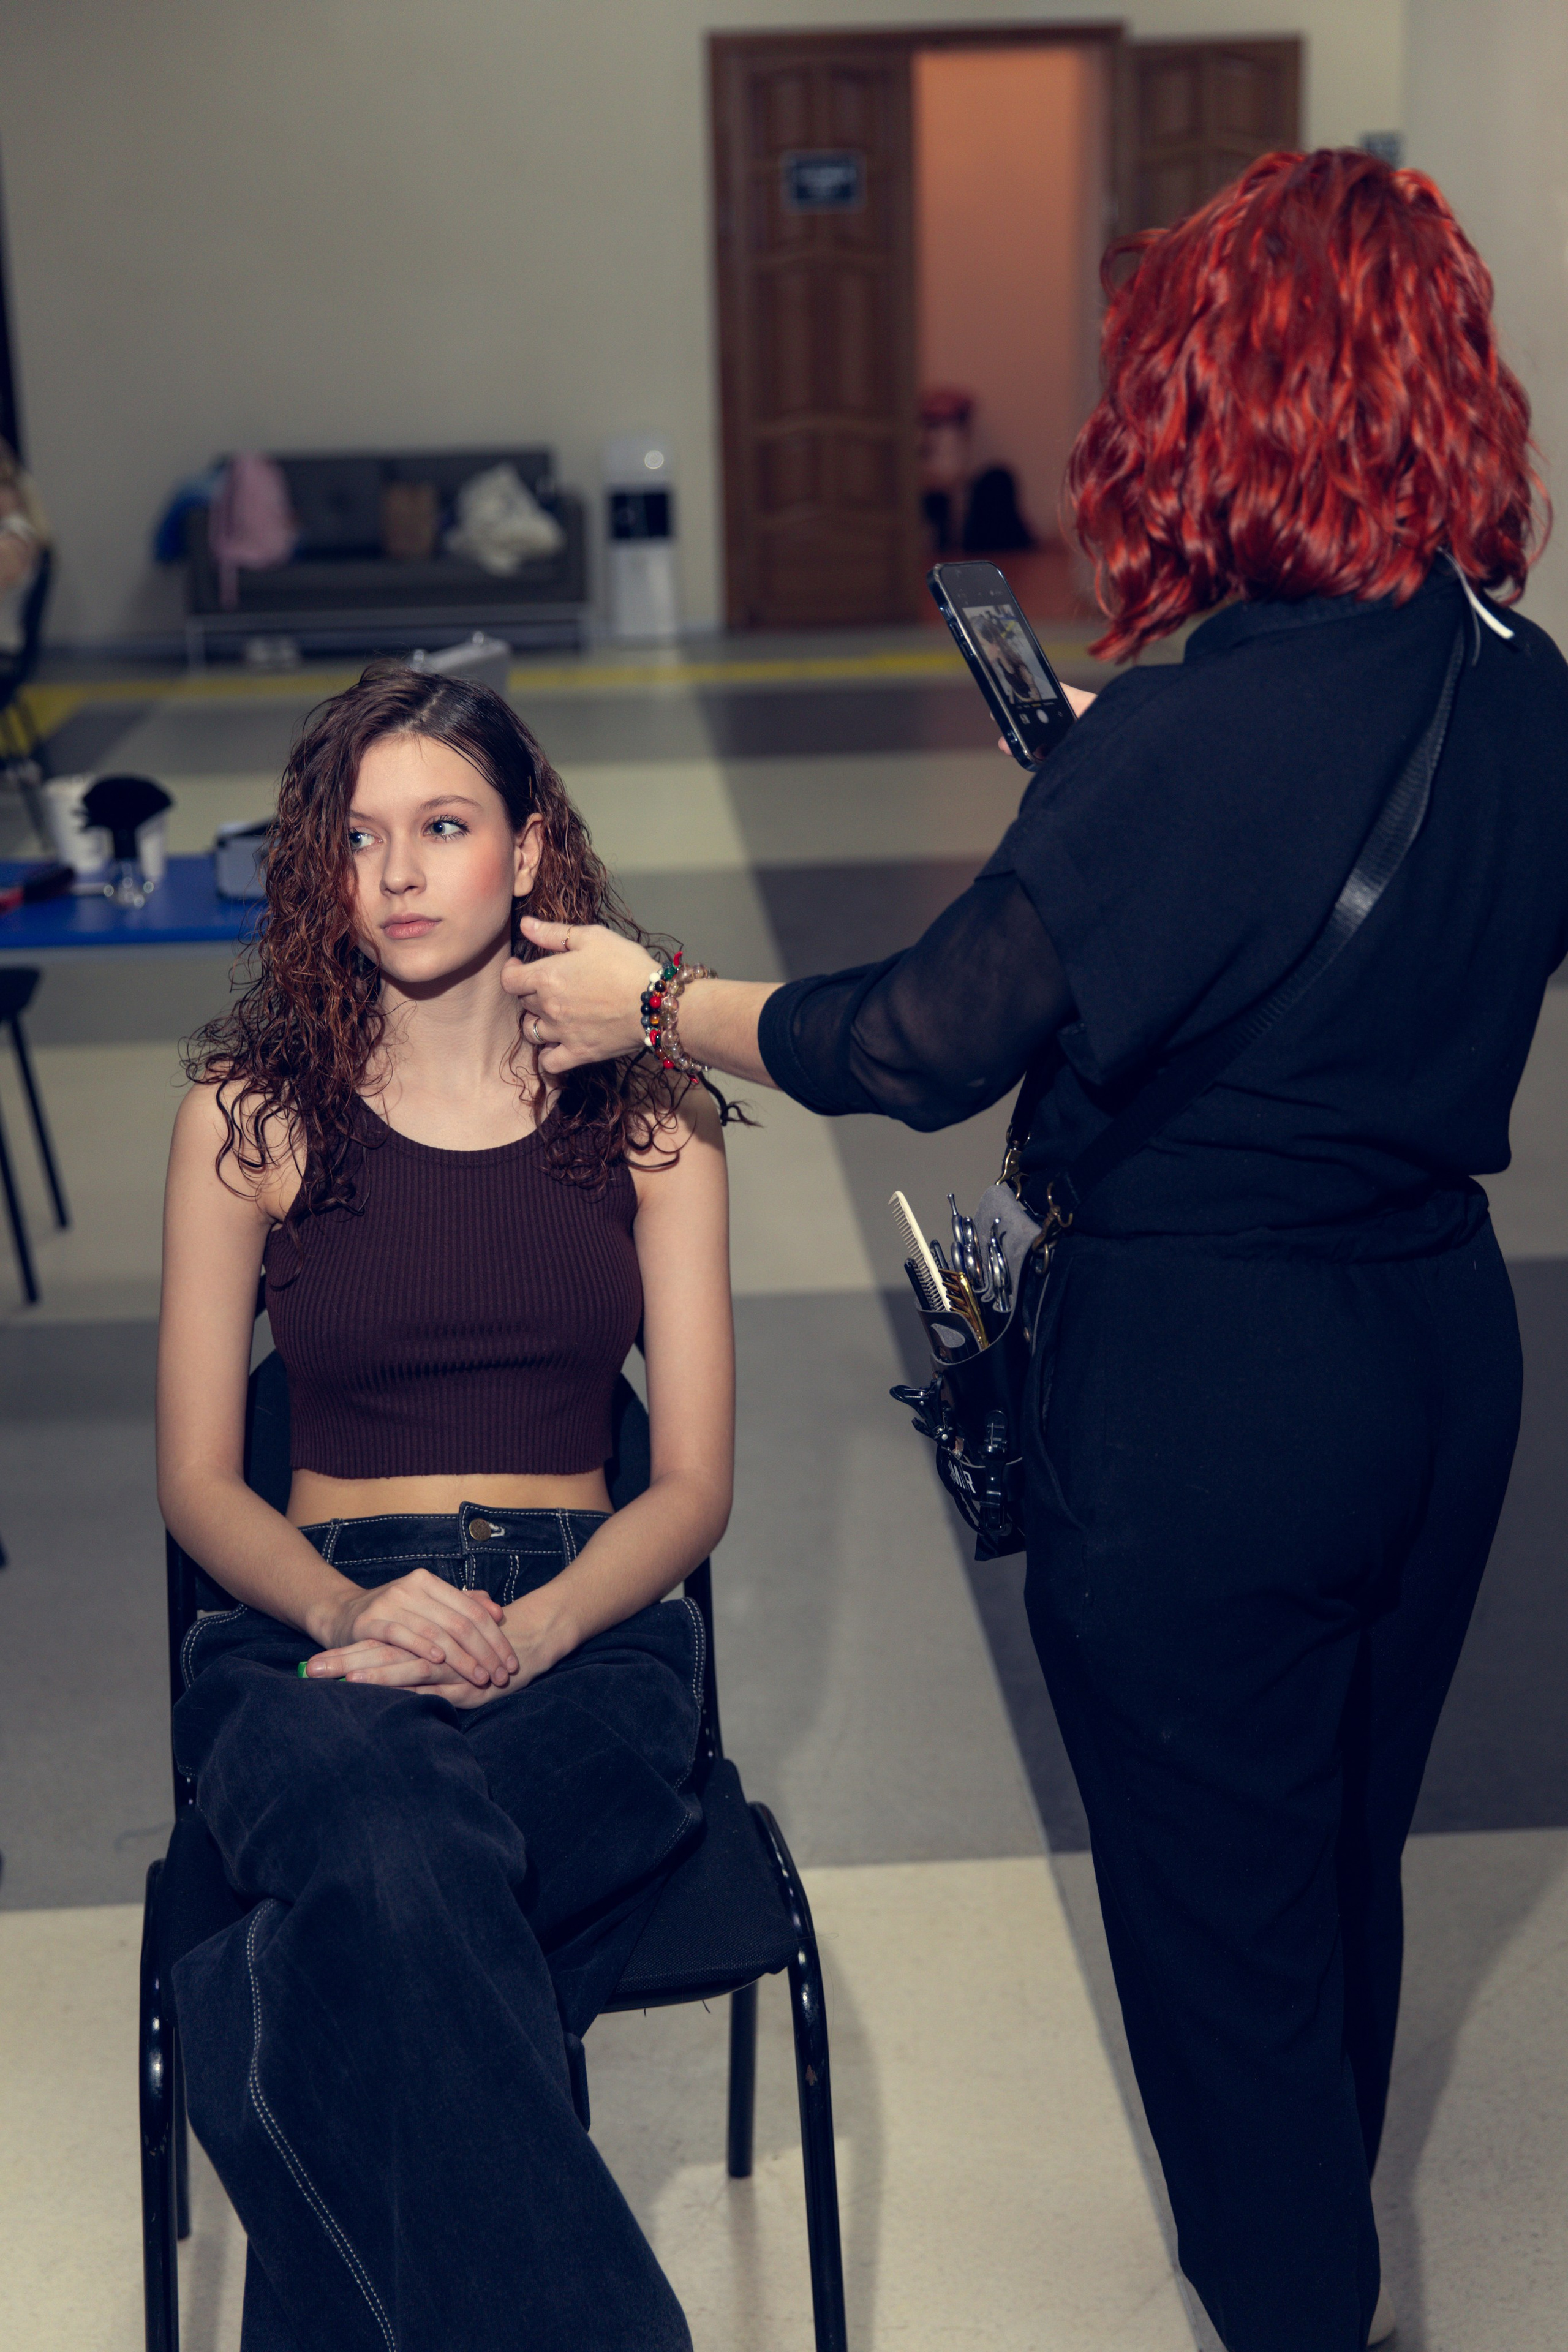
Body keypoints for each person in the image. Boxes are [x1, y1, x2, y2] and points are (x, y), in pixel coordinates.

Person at [503, 151, 1568, 2352]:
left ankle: (1298, 2302)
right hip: (1443, 1360)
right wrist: (1128, 801)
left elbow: (912, 1039)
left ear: (1219, 404)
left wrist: (651, 1006)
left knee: (1215, 1938)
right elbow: (1369, 904)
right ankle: (1315, 2247)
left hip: (1207, 1400)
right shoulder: (1522, 682)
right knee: (1335, 1867)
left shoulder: (1185, 742)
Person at [157, 665, 733, 2352]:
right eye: (356, 838)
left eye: (444, 827)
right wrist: (349, 1616)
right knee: (407, 1859)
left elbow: (691, 1482)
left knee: (350, 1937)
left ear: (528, 850)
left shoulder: (655, 1118)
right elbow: (198, 1477)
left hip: (591, 1628)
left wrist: (536, 1628)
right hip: (310, 1634)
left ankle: (251, 2006)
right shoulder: (245, 1119)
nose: (398, 873)